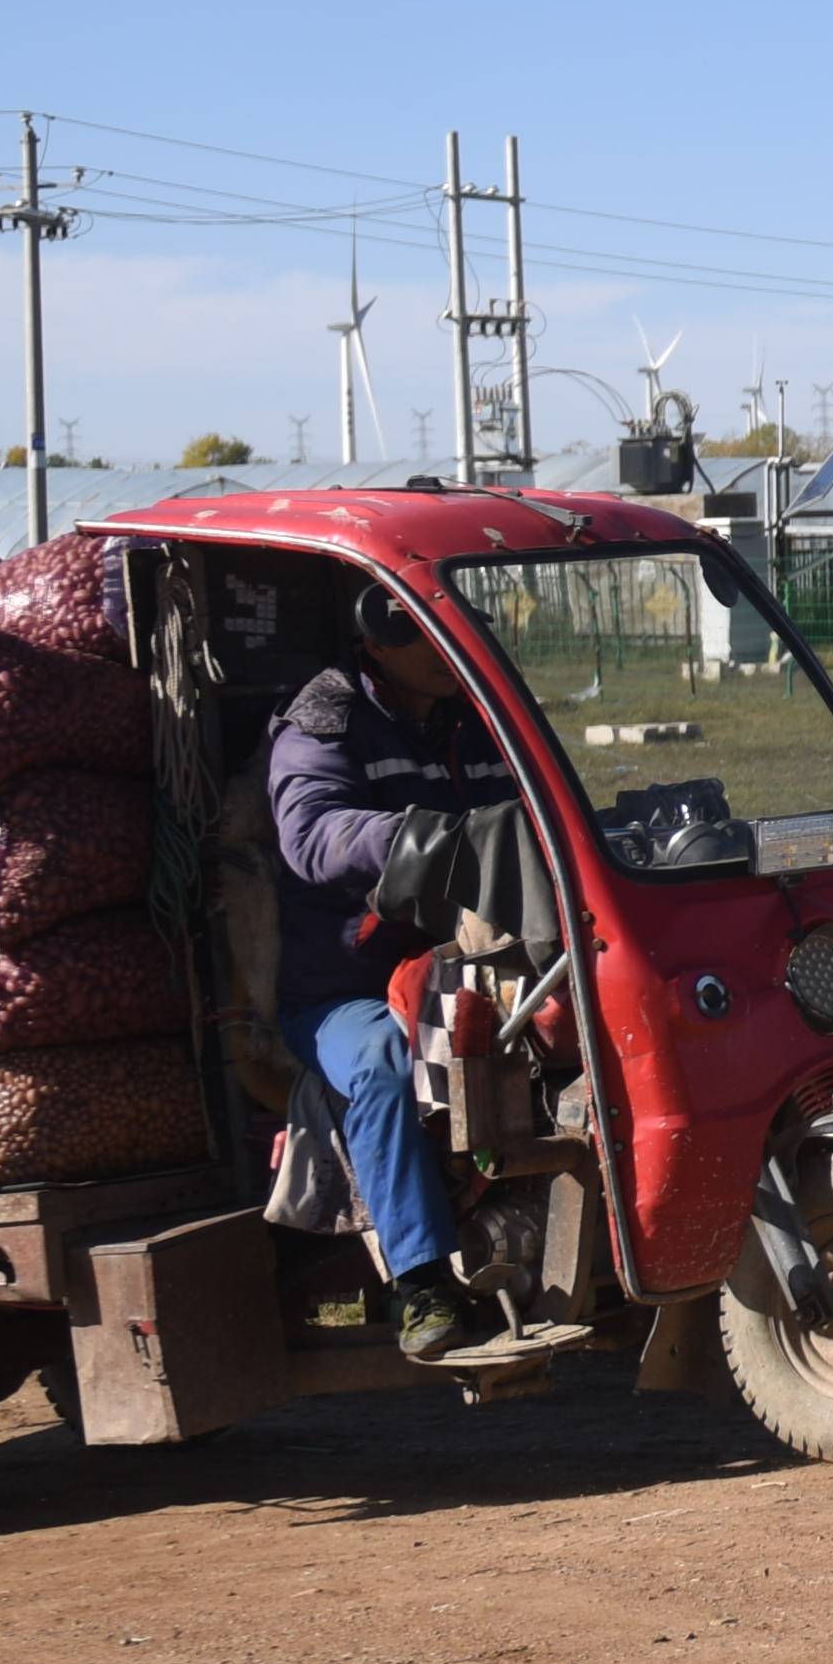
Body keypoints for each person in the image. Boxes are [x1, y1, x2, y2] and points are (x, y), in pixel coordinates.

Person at [269, 583, 524, 1362]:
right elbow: (310, 832)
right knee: (384, 1061)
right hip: (344, 987)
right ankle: (419, 1284)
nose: (442, 651)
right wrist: (427, 840)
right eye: (418, 635)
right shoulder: (324, 720)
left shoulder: (481, 710)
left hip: (480, 956)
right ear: (375, 641)